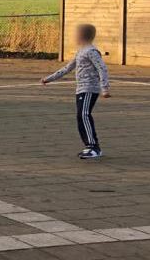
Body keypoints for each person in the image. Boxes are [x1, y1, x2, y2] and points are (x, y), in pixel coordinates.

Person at [41, 24, 111, 159]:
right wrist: (49, 79)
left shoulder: (91, 51)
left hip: (89, 88)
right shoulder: (81, 51)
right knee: (81, 116)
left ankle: (93, 147)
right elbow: (67, 68)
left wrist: (105, 88)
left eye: (76, 34)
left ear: (83, 36)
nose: (74, 37)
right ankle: (89, 146)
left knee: (84, 115)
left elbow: (102, 68)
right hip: (81, 89)